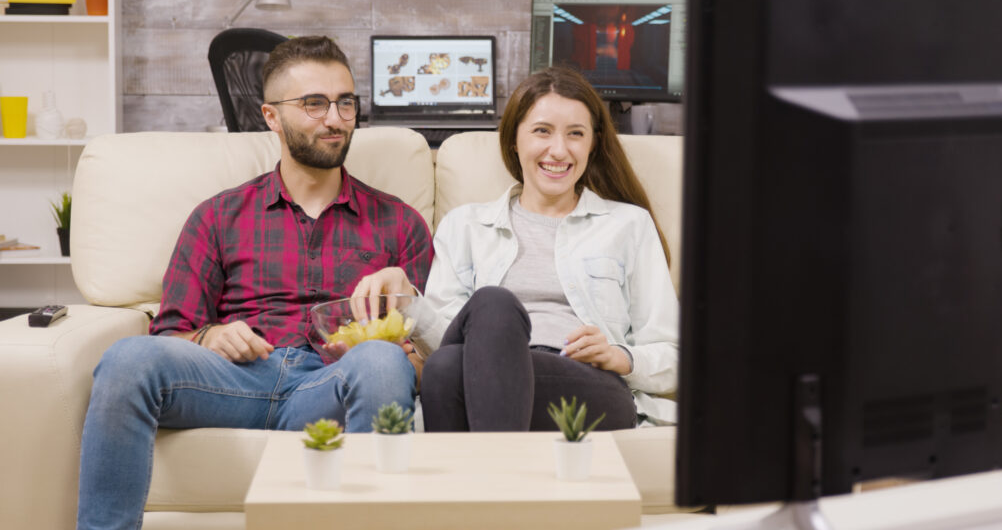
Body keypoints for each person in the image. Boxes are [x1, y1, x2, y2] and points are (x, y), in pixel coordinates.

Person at [76, 36, 433, 529]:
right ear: (271, 116)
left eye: (345, 102)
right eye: (314, 103)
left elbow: (424, 360)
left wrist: (390, 348)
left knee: (381, 361)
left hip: (331, 384)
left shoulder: (399, 222)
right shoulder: (218, 216)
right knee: (126, 358)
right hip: (233, 381)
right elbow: (171, 335)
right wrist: (210, 335)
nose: (334, 119)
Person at [352, 66, 678, 431]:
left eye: (575, 134)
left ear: (593, 144)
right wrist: (405, 299)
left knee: (462, 350)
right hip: (478, 371)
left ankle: (478, 478)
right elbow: (444, 344)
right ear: (514, 140)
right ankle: (503, 477)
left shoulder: (628, 225)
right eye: (542, 131)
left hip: (590, 384)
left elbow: (674, 356)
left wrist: (621, 356)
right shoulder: (466, 226)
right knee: (467, 338)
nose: (558, 149)